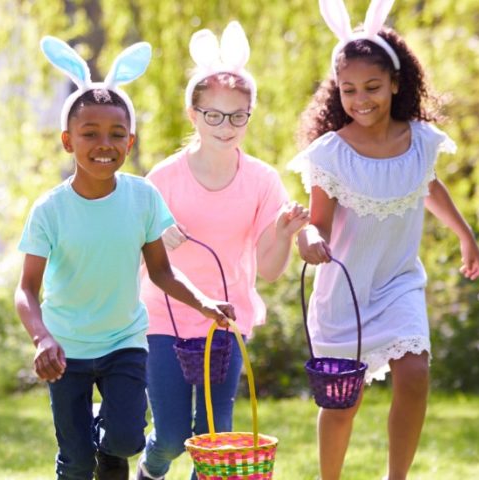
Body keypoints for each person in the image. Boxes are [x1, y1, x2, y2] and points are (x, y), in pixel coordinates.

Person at [16, 36, 236, 480]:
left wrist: (205, 304)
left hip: (124, 342)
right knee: (77, 463)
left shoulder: (142, 197)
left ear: (130, 141)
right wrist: (41, 337)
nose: (105, 143)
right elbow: (26, 289)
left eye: (117, 134)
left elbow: (161, 271)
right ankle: (91, 456)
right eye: (90, 133)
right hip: (67, 348)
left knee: (128, 439)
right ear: (67, 140)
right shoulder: (50, 210)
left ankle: (110, 446)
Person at [290, 1, 479, 479]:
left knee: (415, 374)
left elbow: (427, 186)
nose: (362, 99)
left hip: (398, 282)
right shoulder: (331, 154)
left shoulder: (421, 140)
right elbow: (318, 221)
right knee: (341, 404)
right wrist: (307, 241)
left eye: (372, 87)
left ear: (396, 82)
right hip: (345, 294)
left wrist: (465, 234)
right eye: (349, 89)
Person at [135, 22, 308, 480]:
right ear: (193, 114)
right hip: (164, 319)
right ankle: (150, 469)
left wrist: (287, 232)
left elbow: (269, 270)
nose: (225, 126)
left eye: (237, 116)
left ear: (250, 116)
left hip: (226, 320)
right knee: (172, 436)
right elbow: (137, 256)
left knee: (215, 440)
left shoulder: (262, 180)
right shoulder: (164, 179)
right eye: (213, 114)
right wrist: (153, 241)